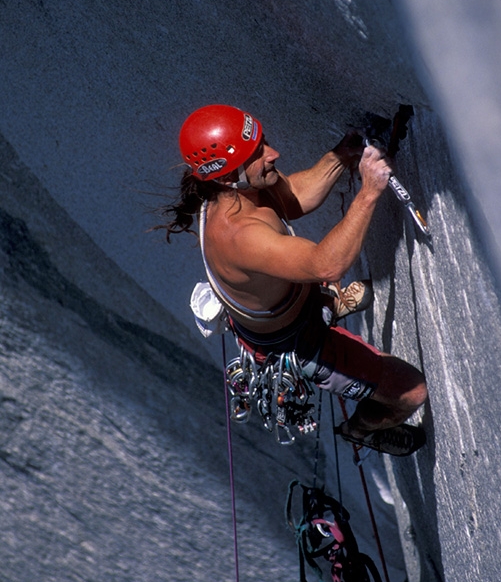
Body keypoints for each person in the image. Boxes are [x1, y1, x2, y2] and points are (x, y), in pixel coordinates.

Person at [162, 104, 427, 455]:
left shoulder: (234, 185)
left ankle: (326, 303)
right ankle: (360, 430)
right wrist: (369, 192)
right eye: (258, 154)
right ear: (227, 176)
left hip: (293, 304)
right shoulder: (240, 235)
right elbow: (326, 265)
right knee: (411, 392)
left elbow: (292, 197)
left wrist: (339, 156)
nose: (274, 154)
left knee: (315, 283)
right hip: (296, 341)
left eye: (264, 142)